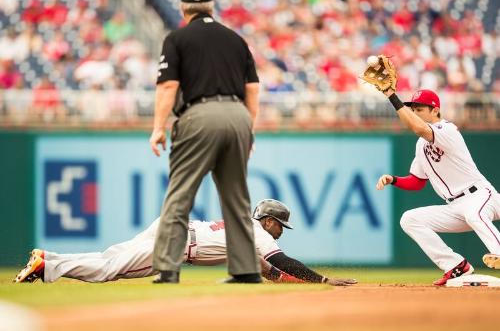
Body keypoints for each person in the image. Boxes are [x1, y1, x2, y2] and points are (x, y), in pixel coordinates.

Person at [149, 0, 261, 284]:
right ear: (211, 7)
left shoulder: (177, 38)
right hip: (238, 116)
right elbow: (252, 90)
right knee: (237, 198)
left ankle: (168, 269)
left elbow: (168, 86)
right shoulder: (237, 40)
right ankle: (246, 270)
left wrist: (158, 128)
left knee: (180, 194)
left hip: (199, 114)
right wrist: (249, 129)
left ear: (184, 9)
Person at [14, 199, 357, 287]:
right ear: (269, 221)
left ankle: (50, 257)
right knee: (108, 271)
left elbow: (270, 271)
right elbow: (281, 261)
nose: (280, 231)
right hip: (176, 243)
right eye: (280, 225)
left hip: (171, 227)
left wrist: (296, 283)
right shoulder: (258, 233)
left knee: (110, 258)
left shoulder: (247, 229)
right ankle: (49, 266)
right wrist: (323, 280)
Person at [375, 84, 500, 285]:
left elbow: (418, 127)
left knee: (474, 213)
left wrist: (391, 95)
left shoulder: (446, 129)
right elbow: (416, 182)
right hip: (455, 206)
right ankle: (456, 265)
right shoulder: (421, 144)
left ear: (435, 110)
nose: (415, 113)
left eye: (420, 109)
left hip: (480, 195)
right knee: (410, 219)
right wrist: (394, 180)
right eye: (413, 109)